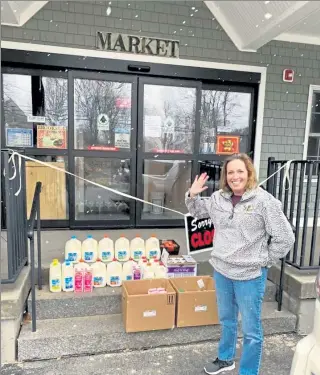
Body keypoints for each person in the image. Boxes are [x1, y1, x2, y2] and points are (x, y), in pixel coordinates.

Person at [185, 153, 295, 375]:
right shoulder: (218, 198)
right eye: (231, 172)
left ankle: (248, 371)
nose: (235, 176)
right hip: (222, 271)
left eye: (240, 171)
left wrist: (265, 260)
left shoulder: (265, 202)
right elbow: (197, 211)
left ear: (249, 173)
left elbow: (285, 237)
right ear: (226, 176)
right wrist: (192, 195)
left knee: (251, 330)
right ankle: (226, 359)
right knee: (227, 320)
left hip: (250, 276)